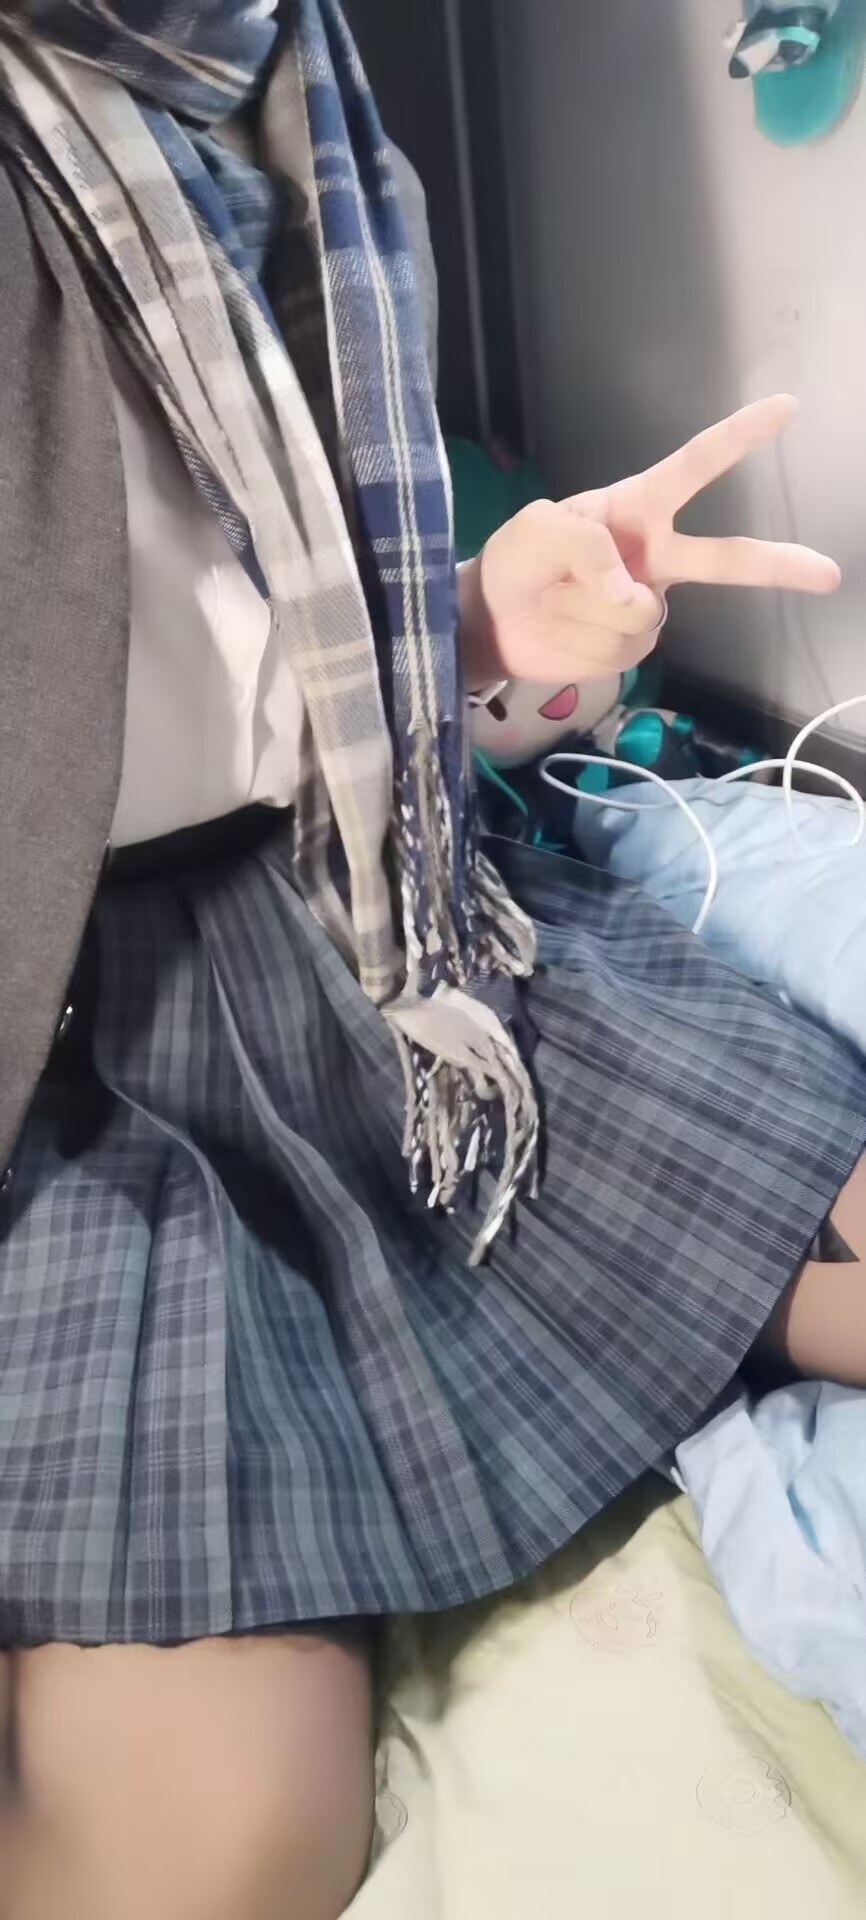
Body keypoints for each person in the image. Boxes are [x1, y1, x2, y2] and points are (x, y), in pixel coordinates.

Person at [0, 2, 864, 1914]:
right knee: (215, 1865)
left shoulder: (266, 59)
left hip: (371, 923)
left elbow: (240, 638)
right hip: (70, 1049)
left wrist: (480, 619)